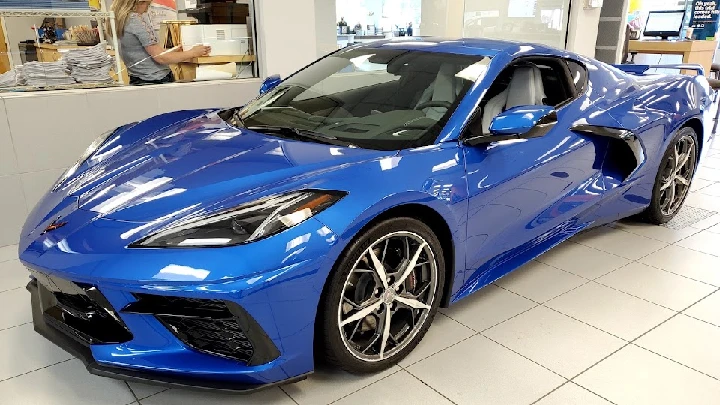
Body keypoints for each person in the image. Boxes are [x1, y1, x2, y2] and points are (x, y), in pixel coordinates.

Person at [109, 0, 211, 85]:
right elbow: (161, 57)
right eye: (147, 4)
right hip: (156, 79)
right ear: (137, 2)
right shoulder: (136, 20)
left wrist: (173, 51)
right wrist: (193, 52)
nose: (147, 9)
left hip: (138, 78)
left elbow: (142, 52)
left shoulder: (119, 20)